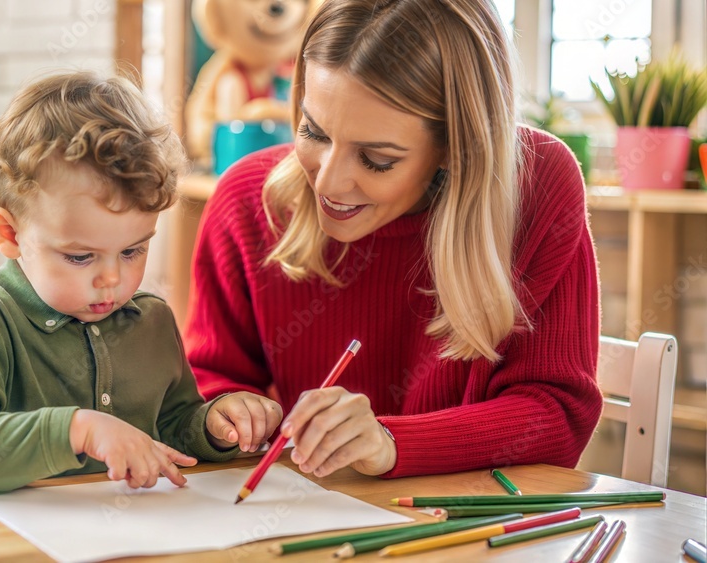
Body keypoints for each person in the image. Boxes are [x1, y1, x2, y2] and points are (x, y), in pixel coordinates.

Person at [185, 0, 602, 480]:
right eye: (313, 131)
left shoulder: (538, 184)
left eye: (376, 159)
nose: (327, 184)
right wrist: (230, 415)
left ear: (454, 146)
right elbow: (206, 386)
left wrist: (391, 443)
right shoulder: (245, 200)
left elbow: (557, 416)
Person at [0, 72, 283, 494]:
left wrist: (216, 426)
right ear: (10, 235)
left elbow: (173, 429)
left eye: (133, 251)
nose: (112, 278)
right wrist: (79, 430)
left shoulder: (151, 320)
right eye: (80, 256)